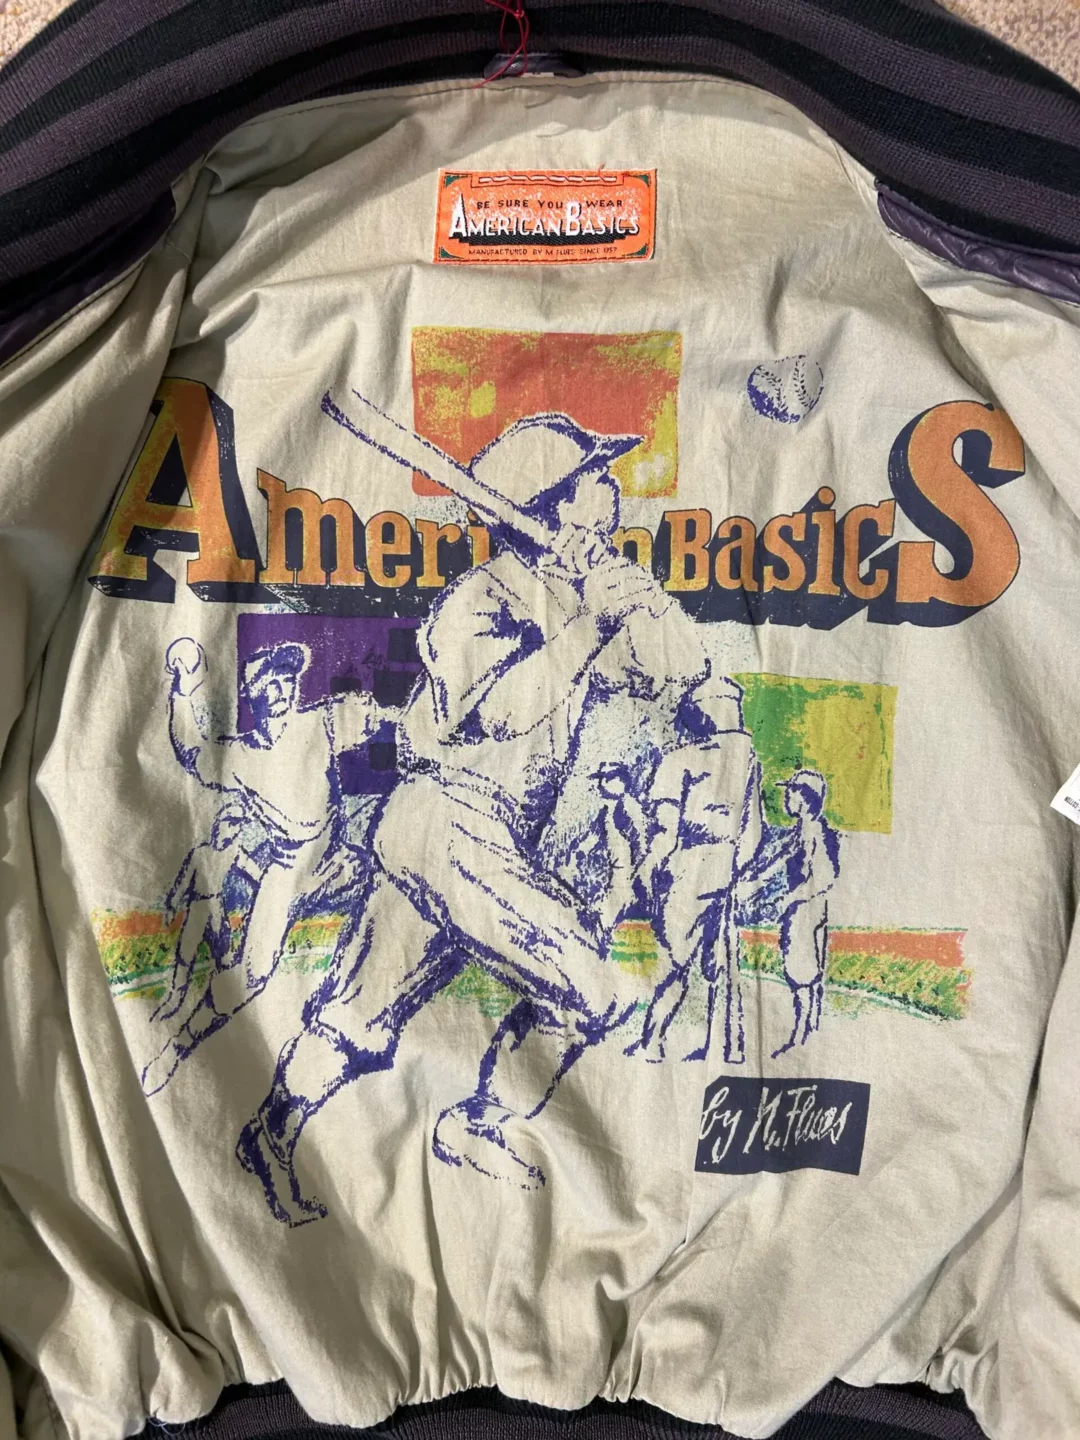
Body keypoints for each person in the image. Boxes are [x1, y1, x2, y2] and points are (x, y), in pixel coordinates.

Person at [235, 409, 713, 1222]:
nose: (611, 488)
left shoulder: (587, 589)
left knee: (356, 1015)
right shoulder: (479, 599)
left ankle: (270, 1133)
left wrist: (639, 608)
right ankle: (481, 1122)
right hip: (446, 819)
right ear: (555, 501)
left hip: (482, 837)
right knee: (597, 987)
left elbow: (684, 675)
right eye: (595, 476)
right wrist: (589, 623)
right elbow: (491, 713)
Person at [141, 637, 392, 1095]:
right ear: (252, 694)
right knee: (253, 973)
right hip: (284, 868)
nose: (282, 688)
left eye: (288, 679)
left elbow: (381, 715)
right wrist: (183, 687)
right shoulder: (241, 757)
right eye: (269, 682)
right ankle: (180, 1044)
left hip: (333, 860)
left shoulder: (323, 722)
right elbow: (192, 751)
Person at [624, 676, 764, 1067]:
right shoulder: (747, 757)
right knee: (725, 964)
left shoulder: (681, 759)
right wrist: (737, 871)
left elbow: (665, 828)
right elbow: (753, 830)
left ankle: (653, 1040)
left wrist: (652, 868)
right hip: (729, 869)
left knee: (674, 961)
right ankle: (727, 1050)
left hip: (690, 866)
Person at [734, 769, 840, 1057]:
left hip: (806, 912)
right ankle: (806, 1032)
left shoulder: (815, 831)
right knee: (805, 976)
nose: (786, 798)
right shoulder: (804, 829)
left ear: (804, 798)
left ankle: (801, 1038)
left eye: (791, 792)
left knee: (802, 975)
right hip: (805, 910)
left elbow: (824, 876)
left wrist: (788, 901)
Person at [150, 802, 259, 1023]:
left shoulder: (233, 855)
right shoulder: (201, 851)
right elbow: (182, 883)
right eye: (231, 826)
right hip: (198, 909)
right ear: (220, 826)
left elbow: (245, 876)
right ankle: (175, 1001)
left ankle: (213, 1004)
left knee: (221, 958)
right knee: (185, 956)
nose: (233, 833)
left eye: (237, 828)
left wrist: (255, 887)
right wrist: (171, 905)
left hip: (218, 911)